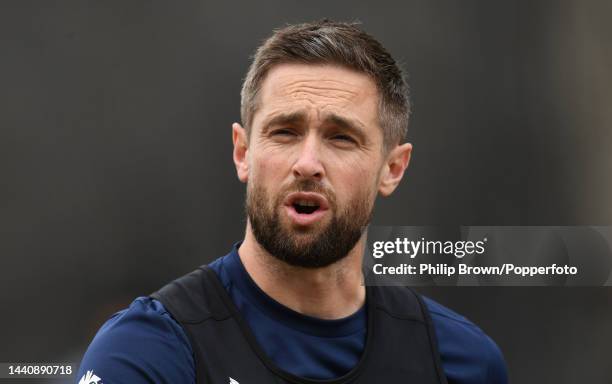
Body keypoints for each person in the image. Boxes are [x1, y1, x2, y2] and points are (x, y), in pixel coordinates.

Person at [77, 20, 507, 384]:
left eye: (341, 138)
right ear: (242, 152)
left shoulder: (461, 362)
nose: (307, 163)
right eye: (284, 132)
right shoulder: (147, 352)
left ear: (392, 169)